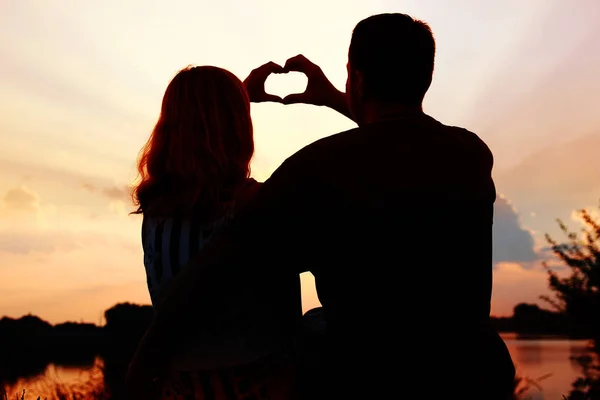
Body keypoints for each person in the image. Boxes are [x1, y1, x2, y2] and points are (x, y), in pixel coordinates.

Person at [128, 13, 516, 399]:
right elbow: (409, 139)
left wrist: (142, 367)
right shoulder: (470, 155)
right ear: (426, 78)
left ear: (358, 80)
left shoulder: (317, 168)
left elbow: (208, 271)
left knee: (318, 326)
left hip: (361, 375)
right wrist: (338, 99)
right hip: (468, 375)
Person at [130, 65, 300, 399]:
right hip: (256, 385)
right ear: (239, 127)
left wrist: (235, 97)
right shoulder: (256, 203)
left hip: (182, 387)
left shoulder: (155, 212)